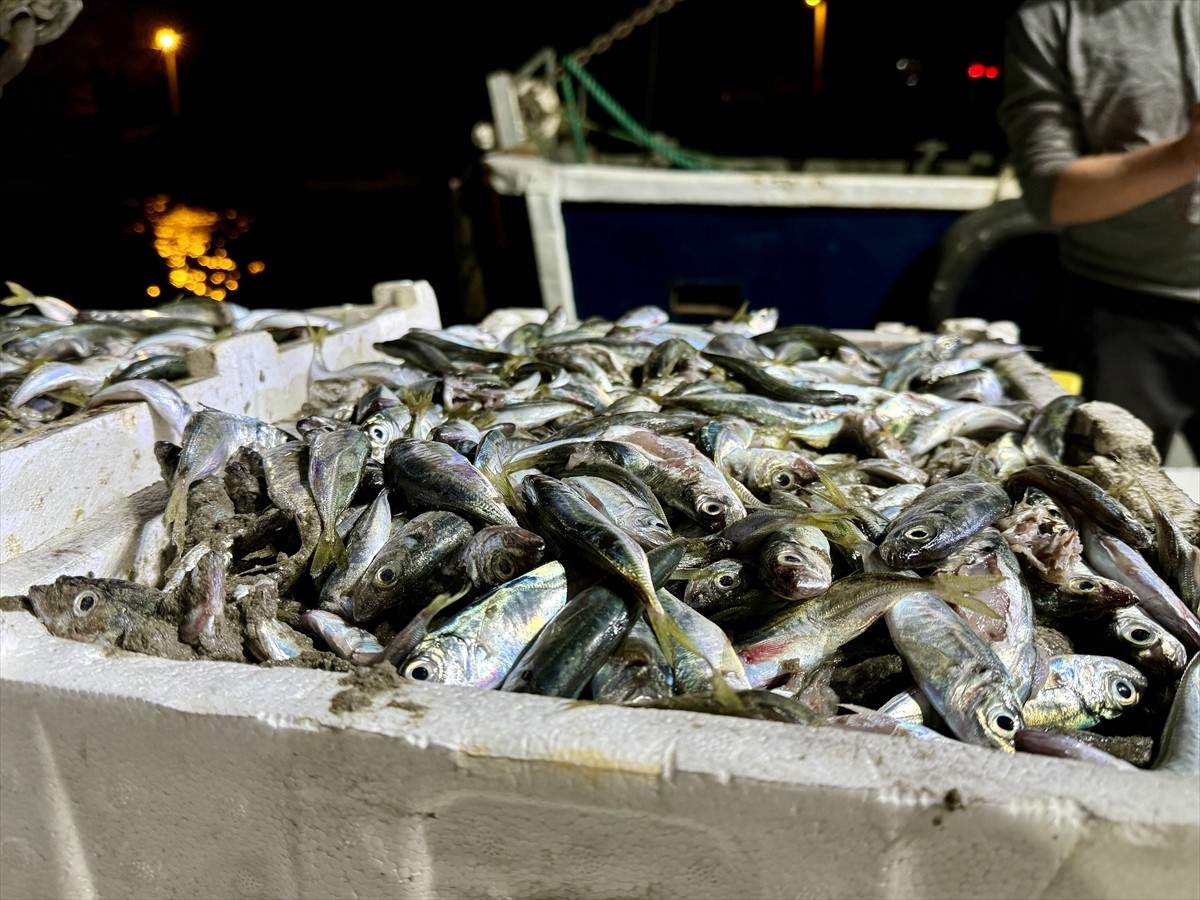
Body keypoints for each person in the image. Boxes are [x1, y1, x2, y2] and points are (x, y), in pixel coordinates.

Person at [997, 0, 1200, 462]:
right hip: (1122, 312)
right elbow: (1054, 198)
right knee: (1112, 491)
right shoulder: (1050, 19)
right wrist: (1187, 155)